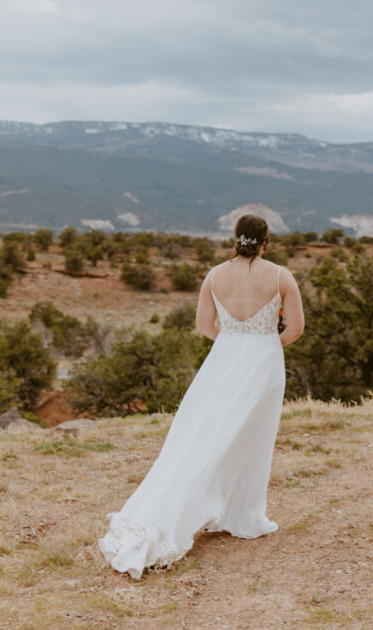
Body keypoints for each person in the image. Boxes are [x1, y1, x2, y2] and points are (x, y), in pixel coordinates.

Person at [98, 214, 304, 578]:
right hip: (264, 363)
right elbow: (297, 329)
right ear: (265, 240)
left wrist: (233, 343)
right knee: (253, 438)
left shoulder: (214, 275)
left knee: (205, 433)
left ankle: (221, 511)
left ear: (236, 238)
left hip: (222, 361)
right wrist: (265, 345)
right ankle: (243, 516)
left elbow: (204, 327)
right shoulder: (280, 276)